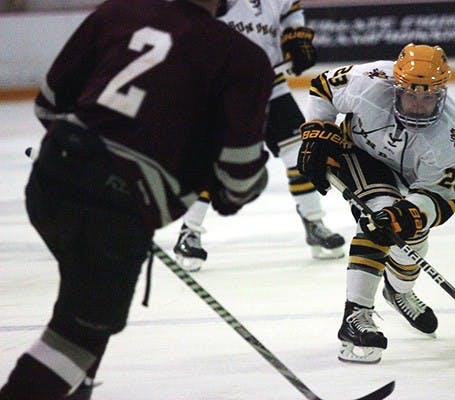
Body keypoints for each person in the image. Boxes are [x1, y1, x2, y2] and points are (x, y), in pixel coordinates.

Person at [0, 0, 274, 399]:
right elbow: (239, 177)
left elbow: (48, 104)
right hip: (114, 211)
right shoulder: (243, 58)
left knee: (85, 297)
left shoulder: (117, 12)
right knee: (77, 337)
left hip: (50, 180)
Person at [297, 43, 455, 363]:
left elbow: (444, 196)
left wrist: (414, 213)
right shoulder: (370, 81)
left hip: (411, 182)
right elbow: (322, 86)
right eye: (411, 95)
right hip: (357, 155)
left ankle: (399, 291)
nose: (419, 105)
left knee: (411, 239)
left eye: (428, 97)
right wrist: (318, 130)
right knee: (377, 221)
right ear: (396, 87)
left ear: (441, 93)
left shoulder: (452, 139)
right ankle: (356, 316)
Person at [172, 0, 345, 271]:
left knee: (298, 150)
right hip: (221, 85)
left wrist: (295, 37)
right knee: (213, 158)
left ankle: (314, 223)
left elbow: (291, 9)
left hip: (270, 84)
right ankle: (189, 231)